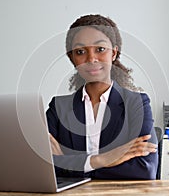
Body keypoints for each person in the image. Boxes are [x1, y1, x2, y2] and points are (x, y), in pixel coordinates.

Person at [46, 14, 158, 179]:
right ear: (72, 58)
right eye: (80, 51)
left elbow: (143, 169)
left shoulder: (136, 103)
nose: (91, 59)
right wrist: (102, 160)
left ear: (113, 53)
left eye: (100, 49)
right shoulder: (58, 108)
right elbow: (45, 167)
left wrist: (71, 164)